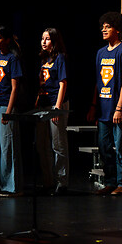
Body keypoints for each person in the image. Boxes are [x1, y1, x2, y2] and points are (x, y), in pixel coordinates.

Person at [87, 12, 122, 196]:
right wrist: (94, 106)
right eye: (103, 26)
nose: (103, 29)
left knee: (121, 145)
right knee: (104, 146)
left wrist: (119, 108)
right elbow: (98, 81)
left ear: (118, 29)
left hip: (120, 109)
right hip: (103, 109)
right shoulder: (100, 53)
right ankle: (110, 182)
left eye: (108, 27)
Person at [0, 26, 24, 197]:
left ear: (7, 40)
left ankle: (11, 187)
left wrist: (8, 111)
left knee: (7, 147)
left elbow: (15, 88)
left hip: (5, 107)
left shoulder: (12, 58)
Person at [35, 28, 70, 196]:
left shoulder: (60, 58)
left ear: (54, 41)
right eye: (42, 38)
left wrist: (57, 107)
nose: (44, 41)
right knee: (41, 144)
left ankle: (61, 182)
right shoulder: (44, 59)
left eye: (47, 39)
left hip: (56, 105)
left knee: (58, 144)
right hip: (43, 104)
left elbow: (63, 84)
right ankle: (47, 181)